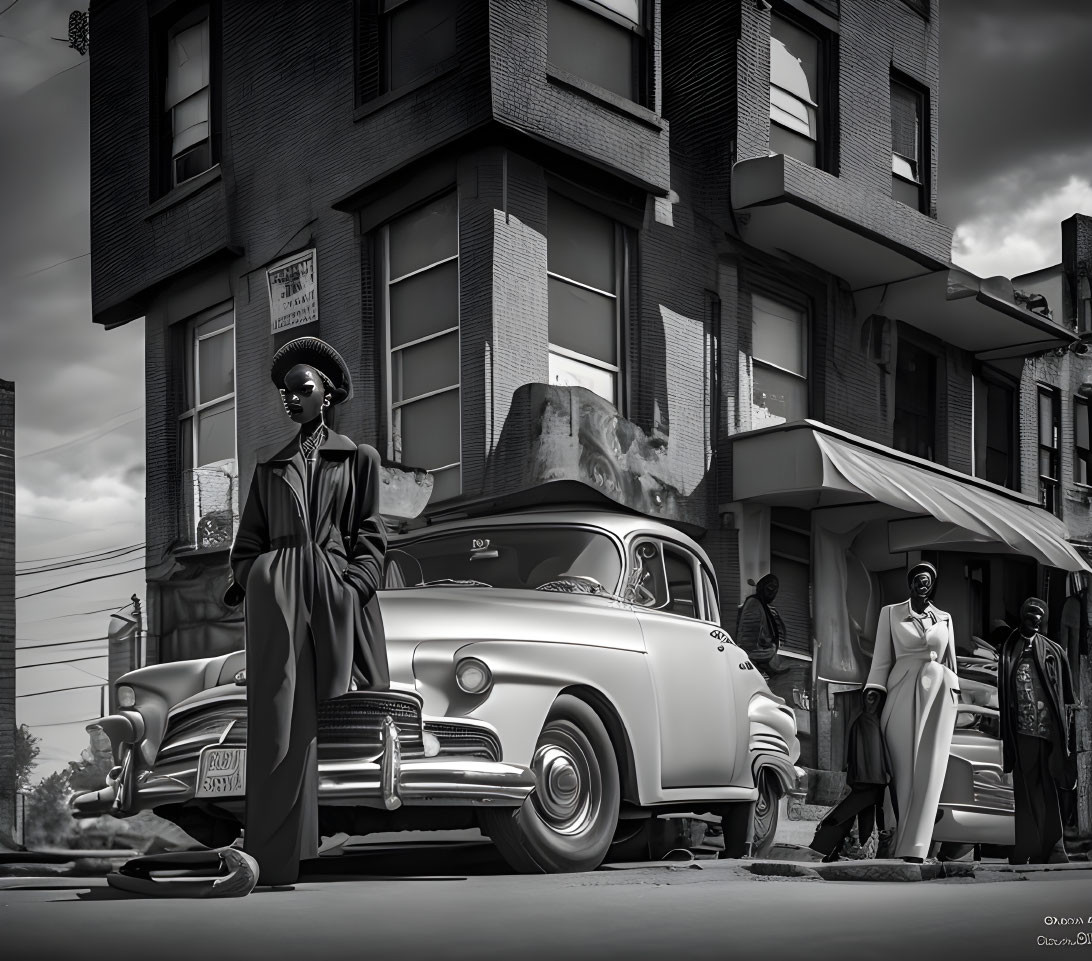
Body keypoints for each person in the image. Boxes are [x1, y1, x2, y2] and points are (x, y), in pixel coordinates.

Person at [226, 336, 388, 887]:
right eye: (283, 392)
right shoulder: (268, 468)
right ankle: (273, 861)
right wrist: (262, 578)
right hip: (280, 593)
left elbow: (370, 534)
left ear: (328, 393)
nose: (290, 399)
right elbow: (245, 547)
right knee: (276, 719)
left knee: (332, 715)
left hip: (334, 591)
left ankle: (310, 843)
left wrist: (354, 586)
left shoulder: (359, 458)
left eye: (301, 388)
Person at [864, 561, 960, 863]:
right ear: (910, 584)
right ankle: (895, 840)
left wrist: (957, 700)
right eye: (918, 579)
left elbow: (951, 663)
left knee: (930, 772)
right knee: (902, 772)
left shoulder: (944, 618)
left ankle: (917, 847)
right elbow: (881, 660)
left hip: (939, 697)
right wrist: (873, 691)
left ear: (932, 585)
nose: (922, 584)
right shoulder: (891, 613)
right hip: (902, 691)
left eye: (927, 580)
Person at [998, 597, 1076, 865]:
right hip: (1022, 731)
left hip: (1048, 732)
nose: (1036, 618)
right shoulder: (1010, 648)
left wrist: (1066, 736)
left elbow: (1067, 699)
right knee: (1025, 790)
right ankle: (1027, 848)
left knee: (1048, 790)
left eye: (1041, 614)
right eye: (1031, 613)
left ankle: (1054, 848)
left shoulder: (1053, 651)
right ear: (1022, 614)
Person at [809, 689, 891, 862]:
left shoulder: (863, 720)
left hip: (866, 781)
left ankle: (825, 850)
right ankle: (825, 849)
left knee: (854, 816)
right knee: (855, 816)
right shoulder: (869, 721)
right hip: (871, 782)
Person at [736, 573, 789, 678]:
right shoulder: (754, 604)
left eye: (775, 590)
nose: (772, 593)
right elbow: (747, 644)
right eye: (769, 589)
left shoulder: (762, 604)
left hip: (761, 660)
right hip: (754, 663)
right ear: (760, 587)